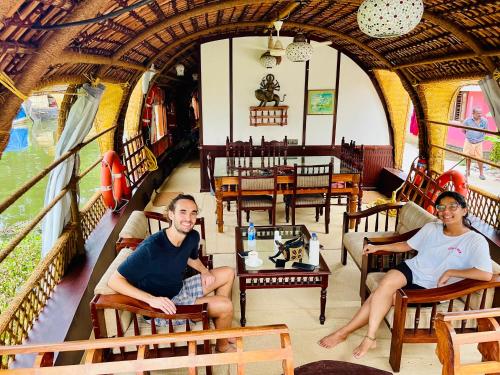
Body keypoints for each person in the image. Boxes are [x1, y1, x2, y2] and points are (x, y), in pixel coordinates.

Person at [318, 191, 492, 359]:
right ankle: (368, 337)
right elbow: (406, 245)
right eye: (441, 207)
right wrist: (378, 247)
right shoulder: (432, 227)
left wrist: (452, 272)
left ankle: (345, 333)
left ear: (464, 209)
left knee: (380, 295)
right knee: (385, 286)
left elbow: (485, 274)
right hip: (412, 269)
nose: (446, 212)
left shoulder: (475, 241)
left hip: (432, 288)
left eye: (453, 207)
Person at [108, 194, 236, 352]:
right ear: (171, 214)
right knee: (225, 306)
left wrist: (204, 271)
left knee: (228, 272)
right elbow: (114, 280)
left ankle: (222, 327)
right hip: (163, 307)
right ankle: (222, 346)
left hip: (179, 288)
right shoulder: (151, 248)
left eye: (193, 213)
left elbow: (190, 257)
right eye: (183, 212)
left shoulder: (192, 236)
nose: (188, 218)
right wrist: (152, 300)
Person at [463, 107, 488, 180]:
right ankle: (467, 172)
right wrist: (470, 136)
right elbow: (463, 130)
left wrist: (478, 137)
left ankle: (481, 174)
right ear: (473, 113)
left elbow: (486, 131)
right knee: (468, 157)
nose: (480, 115)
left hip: (479, 142)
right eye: (478, 113)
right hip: (469, 141)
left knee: (480, 158)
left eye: (481, 113)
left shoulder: (485, 121)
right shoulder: (467, 121)